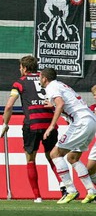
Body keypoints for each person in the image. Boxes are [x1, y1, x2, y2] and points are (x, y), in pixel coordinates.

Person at [1, 56, 65, 203]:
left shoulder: (19, 83)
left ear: (24, 68)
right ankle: (64, 187)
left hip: (32, 125)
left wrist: (5, 123)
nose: (19, 70)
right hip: (50, 124)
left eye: (20, 67)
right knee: (53, 157)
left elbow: (9, 106)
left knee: (31, 160)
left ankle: (37, 196)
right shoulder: (46, 78)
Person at [40, 68, 96, 204]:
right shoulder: (61, 85)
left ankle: (70, 190)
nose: (39, 80)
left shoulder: (51, 86)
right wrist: (53, 104)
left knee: (55, 154)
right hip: (91, 120)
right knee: (72, 157)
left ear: (44, 79)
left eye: (40, 77)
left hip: (81, 122)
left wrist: (51, 125)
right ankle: (91, 191)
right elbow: (66, 103)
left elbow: (61, 104)